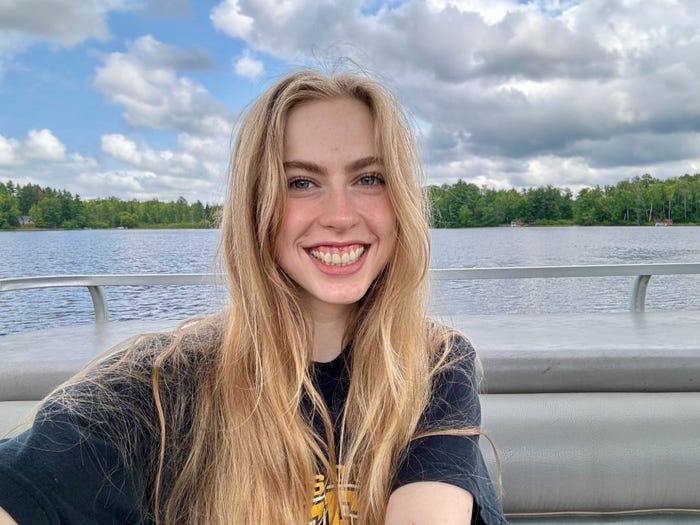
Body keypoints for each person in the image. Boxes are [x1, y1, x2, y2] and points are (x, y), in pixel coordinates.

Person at [0, 69, 507, 524]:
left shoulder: (434, 363)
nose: (340, 214)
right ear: (255, 205)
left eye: (369, 179)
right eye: (301, 182)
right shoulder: (159, 384)